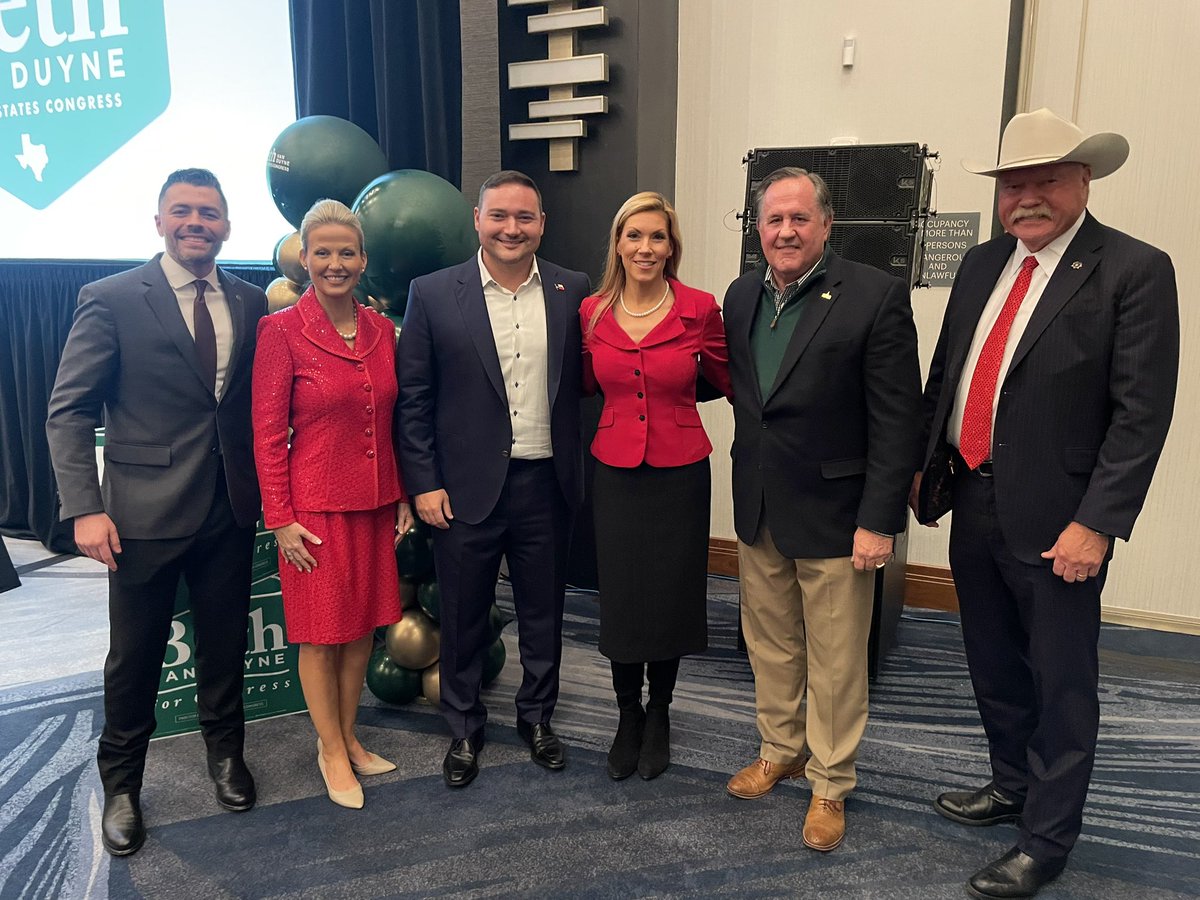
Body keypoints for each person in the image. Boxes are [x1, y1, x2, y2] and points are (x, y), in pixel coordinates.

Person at [912, 108, 1178, 900]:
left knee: (1062, 685)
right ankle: (1011, 785)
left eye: (1046, 181)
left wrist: (1097, 524)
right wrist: (925, 471)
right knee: (992, 663)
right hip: (974, 496)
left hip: (1063, 519)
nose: (1026, 198)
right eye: (1012, 185)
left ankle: (1047, 840)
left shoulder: (1134, 269)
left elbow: (1140, 414)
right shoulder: (982, 263)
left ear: (1083, 182)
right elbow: (949, 373)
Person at [46, 168, 266, 856]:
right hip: (139, 516)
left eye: (209, 213)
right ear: (160, 221)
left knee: (225, 645)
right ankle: (122, 784)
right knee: (135, 658)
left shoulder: (251, 300)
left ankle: (226, 756)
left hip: (229, 508)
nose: (196, 223)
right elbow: (68, 410)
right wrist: (84, 508)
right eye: (182, 211)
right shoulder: (111, 298)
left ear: (226, 225)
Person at [722, 167, 922, 852]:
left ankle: (831, 781)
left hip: (839, 514)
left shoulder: (874, 295)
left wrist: (880, 519)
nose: (786, 231)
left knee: (836, 660)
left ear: (827, 224)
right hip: (759, 503)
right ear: (758, 228)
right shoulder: (741, 294)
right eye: (773, 219)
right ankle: (780, 749)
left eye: (799, 218)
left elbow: (897, 420)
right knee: (770, 643)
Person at [396, 170, 590, 788]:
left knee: (543, 613)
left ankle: (538, 718)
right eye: (499, 216)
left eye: (524, 217)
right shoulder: (432, 293)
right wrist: (423, 482)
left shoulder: (572, 290)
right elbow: (414, 399)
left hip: (546, 484)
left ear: (542, 225)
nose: (512, 228)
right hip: (461, 489)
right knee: (462, 614)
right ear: (477, 220)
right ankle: (463, 726)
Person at [252, 199, 411, 810]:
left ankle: (348, 736)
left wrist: (400, 492)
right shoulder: (281, 331)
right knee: (321, 638)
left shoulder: (379, 330)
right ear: (305, 258)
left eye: (347, 252)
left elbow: (390, 421)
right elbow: (267, 433)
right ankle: (330, 750)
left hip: (373, 504)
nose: (335, 263)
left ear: (363, 259)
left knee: (362, 630)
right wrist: (280, 518)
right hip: (312, 512)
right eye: (323, 252)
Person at [580, 191, 731, 781]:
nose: (645, 248)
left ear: (672, 247)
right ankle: (628, 714)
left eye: (657, 237)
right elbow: (583, 384)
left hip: (681, 471)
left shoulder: (699, 308)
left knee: (670, 594)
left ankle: (660, 711)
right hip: (615, 472)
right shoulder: (591, 312)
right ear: (618, 244)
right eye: (634, 235)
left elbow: (726, 379)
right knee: (622, 594)